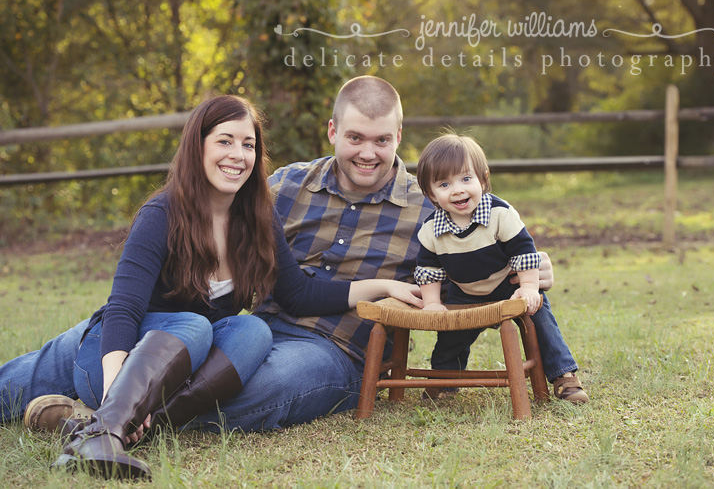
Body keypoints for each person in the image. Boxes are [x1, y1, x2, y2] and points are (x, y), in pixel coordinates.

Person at [13, 76, 563, 439]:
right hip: (247, 328)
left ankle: (102, 421)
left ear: (399, 136)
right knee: (149, 349)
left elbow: (499, 252)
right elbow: (288, 287)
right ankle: (106, 410)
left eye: (381, 140)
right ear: (333, 131)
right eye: (354, 137)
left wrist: (532, 288)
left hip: (333, 348)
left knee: (253, 393)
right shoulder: (282, 185)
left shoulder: (433, 205)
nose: (367, 152)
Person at [4, 94, 420, 479]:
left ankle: (90, 424)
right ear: (198, 146)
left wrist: (381, 285)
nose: (237, 155)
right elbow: (123, 311)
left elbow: (298, 293)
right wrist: (119, 400)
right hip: (114, 357)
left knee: (252, 330)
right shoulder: (163, 212)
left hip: (173, 371)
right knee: (192, 325)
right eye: (225, 141)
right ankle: (106, 428)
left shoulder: (256, 214)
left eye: (248, 144)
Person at [413, 133, 588, 403]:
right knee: (450, 338)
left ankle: (563, 375)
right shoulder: (430, 231)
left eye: (466, 179)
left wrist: (529, 288)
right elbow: (429, 270)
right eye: (445, 184)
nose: (458, 189)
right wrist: (433, 303)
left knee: (540, 318)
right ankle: (444, 380)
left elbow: (523, 251)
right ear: (431, 194)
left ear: (483, 179)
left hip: (507, 285)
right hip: (464, 291)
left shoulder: (500, 213)